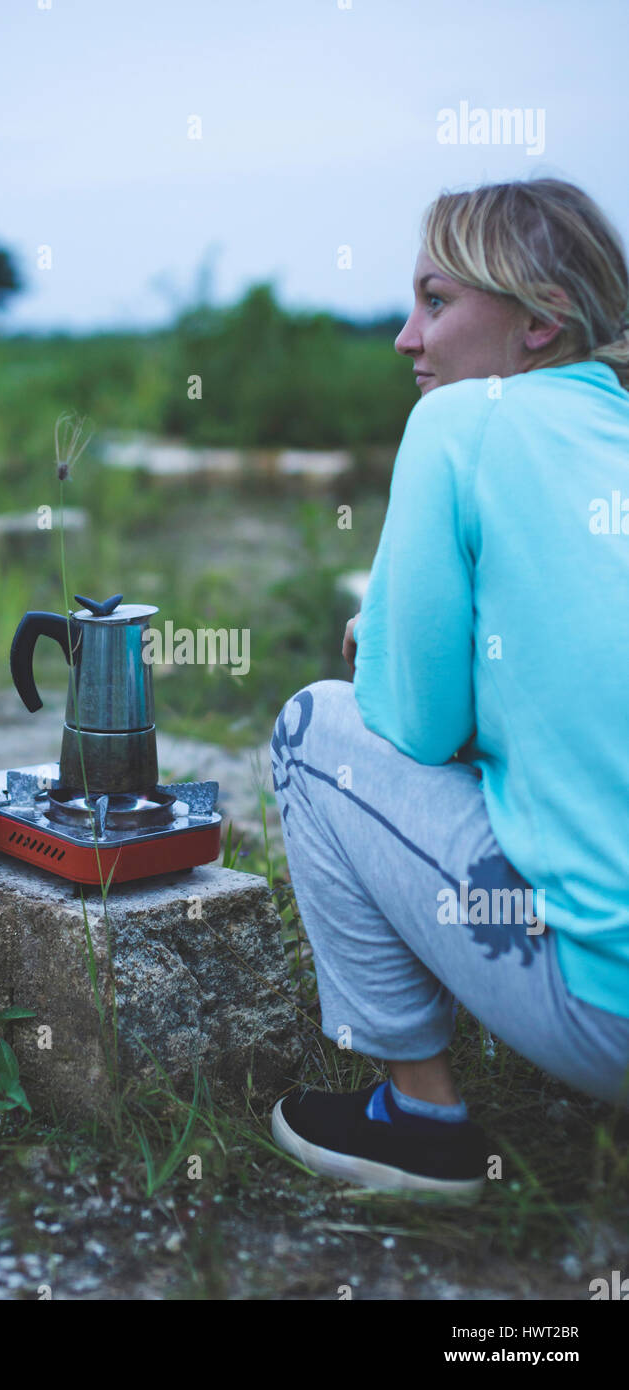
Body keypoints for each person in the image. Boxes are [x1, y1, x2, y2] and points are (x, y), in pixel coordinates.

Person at [269, 178, 629, 1199]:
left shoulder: (463, 421)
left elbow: (414, 728)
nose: (401, 337)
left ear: (536, 322)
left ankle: (417, 1121)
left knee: (311, 729)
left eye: (434, 301)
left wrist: (380, 635)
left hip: (605, 1013)